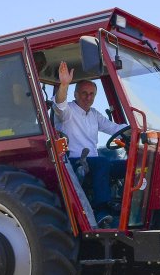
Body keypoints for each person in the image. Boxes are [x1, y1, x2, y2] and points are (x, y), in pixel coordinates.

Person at [53, 61, 128, 226]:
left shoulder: (94, 114)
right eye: (84, 93)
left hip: (91, 162)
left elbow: (114, 128)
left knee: (130, 166)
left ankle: (128, 208)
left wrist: (136, 129)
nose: (88, 97)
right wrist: (64, 84)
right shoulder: (68, 112)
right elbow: (59, 105)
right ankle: (102, 209)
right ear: (76, 94)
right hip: (71, 162)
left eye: (91, 94)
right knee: (102, 162)